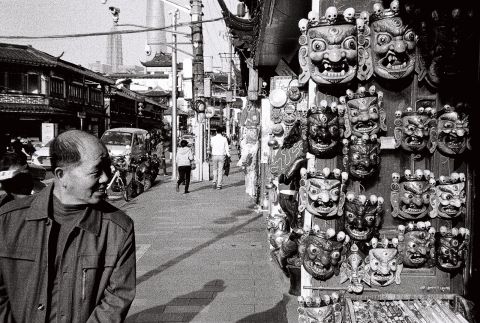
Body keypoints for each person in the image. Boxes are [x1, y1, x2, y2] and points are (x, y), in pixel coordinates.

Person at [0, 130, 136, 322]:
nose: (105, 178)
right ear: (61, 175)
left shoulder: (118, 229)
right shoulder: (7, 221)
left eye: (107, 168)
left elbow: (116, 299)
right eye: (96, 171)